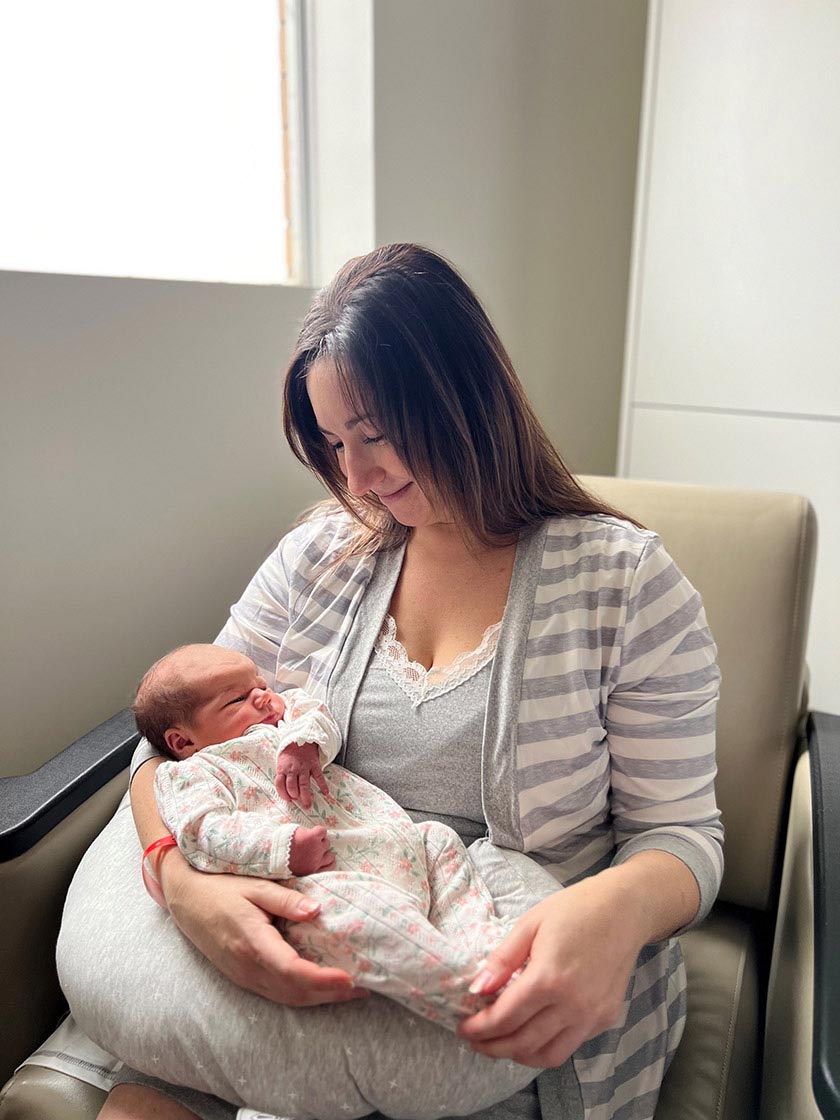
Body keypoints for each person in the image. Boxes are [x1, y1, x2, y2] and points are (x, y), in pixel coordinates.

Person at [58, 242, 723, 1120]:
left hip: (486, 974)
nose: (356, 477)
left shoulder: (624, 585)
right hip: (290, 916)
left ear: (462, 392)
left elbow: (683, 836)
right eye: (335, 444)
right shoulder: (320, 556)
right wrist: (182, 884)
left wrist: (619, 912)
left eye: (373, 435)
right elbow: (169, 752)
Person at [136, 642, 547, 1031]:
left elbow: (318, 714)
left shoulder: (288, 719)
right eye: (236, 700)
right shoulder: (192, 773)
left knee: (438, 839)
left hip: (394, 845)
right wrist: (282, 849)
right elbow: (204, 830)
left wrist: (303, 744)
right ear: (183, 741)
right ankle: (476, 991)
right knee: (363, 918)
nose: (262, 697)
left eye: (260, 685)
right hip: (325, 878)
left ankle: (486, 943)